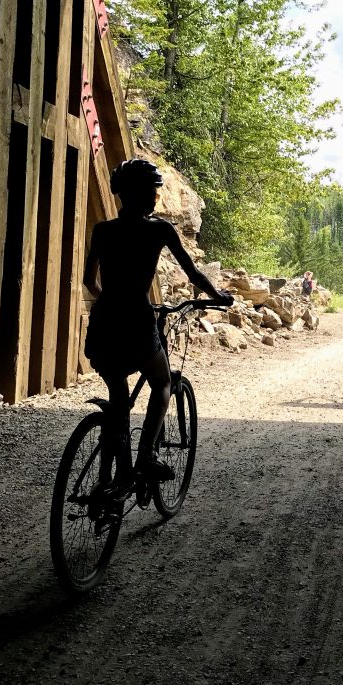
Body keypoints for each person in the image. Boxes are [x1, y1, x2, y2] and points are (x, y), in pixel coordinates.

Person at [83, 158, 233, 491]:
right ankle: (146, 457)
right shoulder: (158, 230)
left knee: (118, 400)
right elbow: (193, 274)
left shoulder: (103, 230)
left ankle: (111, 479)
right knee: (162, 382)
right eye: (152, 190)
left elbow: (89, 281)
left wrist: (109, 301)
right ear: (142, 194)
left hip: (104, 322)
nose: (155, 196)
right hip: (136, 321)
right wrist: (218, 296)